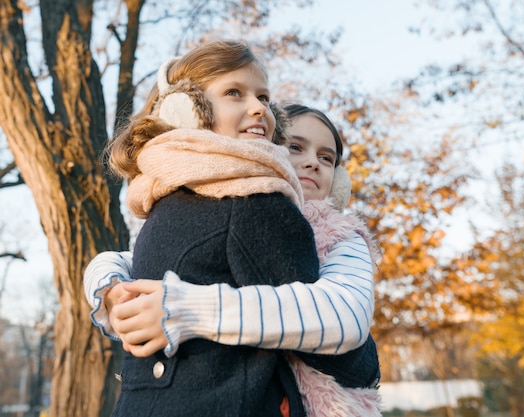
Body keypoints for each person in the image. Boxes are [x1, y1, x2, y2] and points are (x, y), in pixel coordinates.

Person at [90, 38, 379, 417]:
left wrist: (185, 307)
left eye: (326, 157)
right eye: (295, 148)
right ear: (268, 148)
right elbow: (127, 260)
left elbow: (347, 320)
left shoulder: (340, 239)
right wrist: (109, 289)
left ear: (339, 180)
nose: (311, 164)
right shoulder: (226, 202)